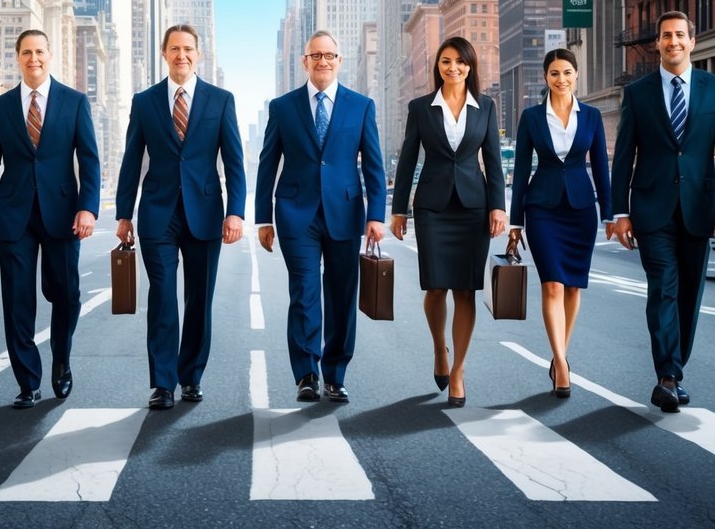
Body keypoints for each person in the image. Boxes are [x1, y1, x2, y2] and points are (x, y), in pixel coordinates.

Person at [610, 11, 715, 413]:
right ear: (657, 43)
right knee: (663, 289)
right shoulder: (638, 93)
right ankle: (667, 376)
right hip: (651, 209)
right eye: (666, 35)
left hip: (700, 209)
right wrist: (619, 212)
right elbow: (623, 157)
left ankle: (675, 368)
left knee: (690, 293)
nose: (673, 41)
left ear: (692, 41)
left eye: (680, 35)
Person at [115, 24, 247, 410]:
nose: (181, 55)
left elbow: (234, 162)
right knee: (162, 297)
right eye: (174, 48)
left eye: (188, 49)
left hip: (205, 212)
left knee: (199, 300)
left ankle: (191, 376)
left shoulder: (220, 100)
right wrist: (124, 214)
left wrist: (236, 212)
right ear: (164, 53)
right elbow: (130, 161)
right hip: (157, 213)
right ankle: (163, 382)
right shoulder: (145, 102)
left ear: (198, 54)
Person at [0, 30, 101, 409]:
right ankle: (28, 381)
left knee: (67, 296)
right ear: (17, 58)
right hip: (15, 217)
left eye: (40, 52)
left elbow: (90, 160)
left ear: (50, 55)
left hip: (62, 216)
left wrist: (88, 208)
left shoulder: (75, 102)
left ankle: (61, 359)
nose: (34, 59)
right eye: (26, 52)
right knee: (17, 301)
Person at [256, 30, 386, 403]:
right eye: (316, 56)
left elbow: (374, 166)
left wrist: (375, 216)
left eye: (330, 55)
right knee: (305, 292)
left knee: (343, 294)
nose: (323, 62)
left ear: (339, 61)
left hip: (345, 212)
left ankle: (335, 373)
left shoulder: (361, 106)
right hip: (296, 214)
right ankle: (306, 374)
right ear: (305, 62)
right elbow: (268, 163)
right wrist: (263, 217)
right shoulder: (282, 107)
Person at [390, 36, 506, 408]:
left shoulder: (486, 107)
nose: (452, 67)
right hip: (433, 208)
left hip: (474, 207)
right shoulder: (421, 108)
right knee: (436, 288)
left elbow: (494, 161)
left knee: (466, 291)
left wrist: (498, 207)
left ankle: (458, 369)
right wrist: (398, 210)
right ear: (437, 66)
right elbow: (408, 159)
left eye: (459, 61)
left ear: (470, 67)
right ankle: (440, 349)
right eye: (445, 61)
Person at [507, 48, 611, 399]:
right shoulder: (532, 117)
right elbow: (521, 170)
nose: (561, 79)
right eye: (554, 73)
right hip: (543, 209)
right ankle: (562, 364)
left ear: (576, 75)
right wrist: (515, 222)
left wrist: (610, 214)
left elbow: (600, 168)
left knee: (573, 288)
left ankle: (558, 354)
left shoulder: (593, 117)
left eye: (567, 72)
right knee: (552, 284)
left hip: (582, 208)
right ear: (546, 77)